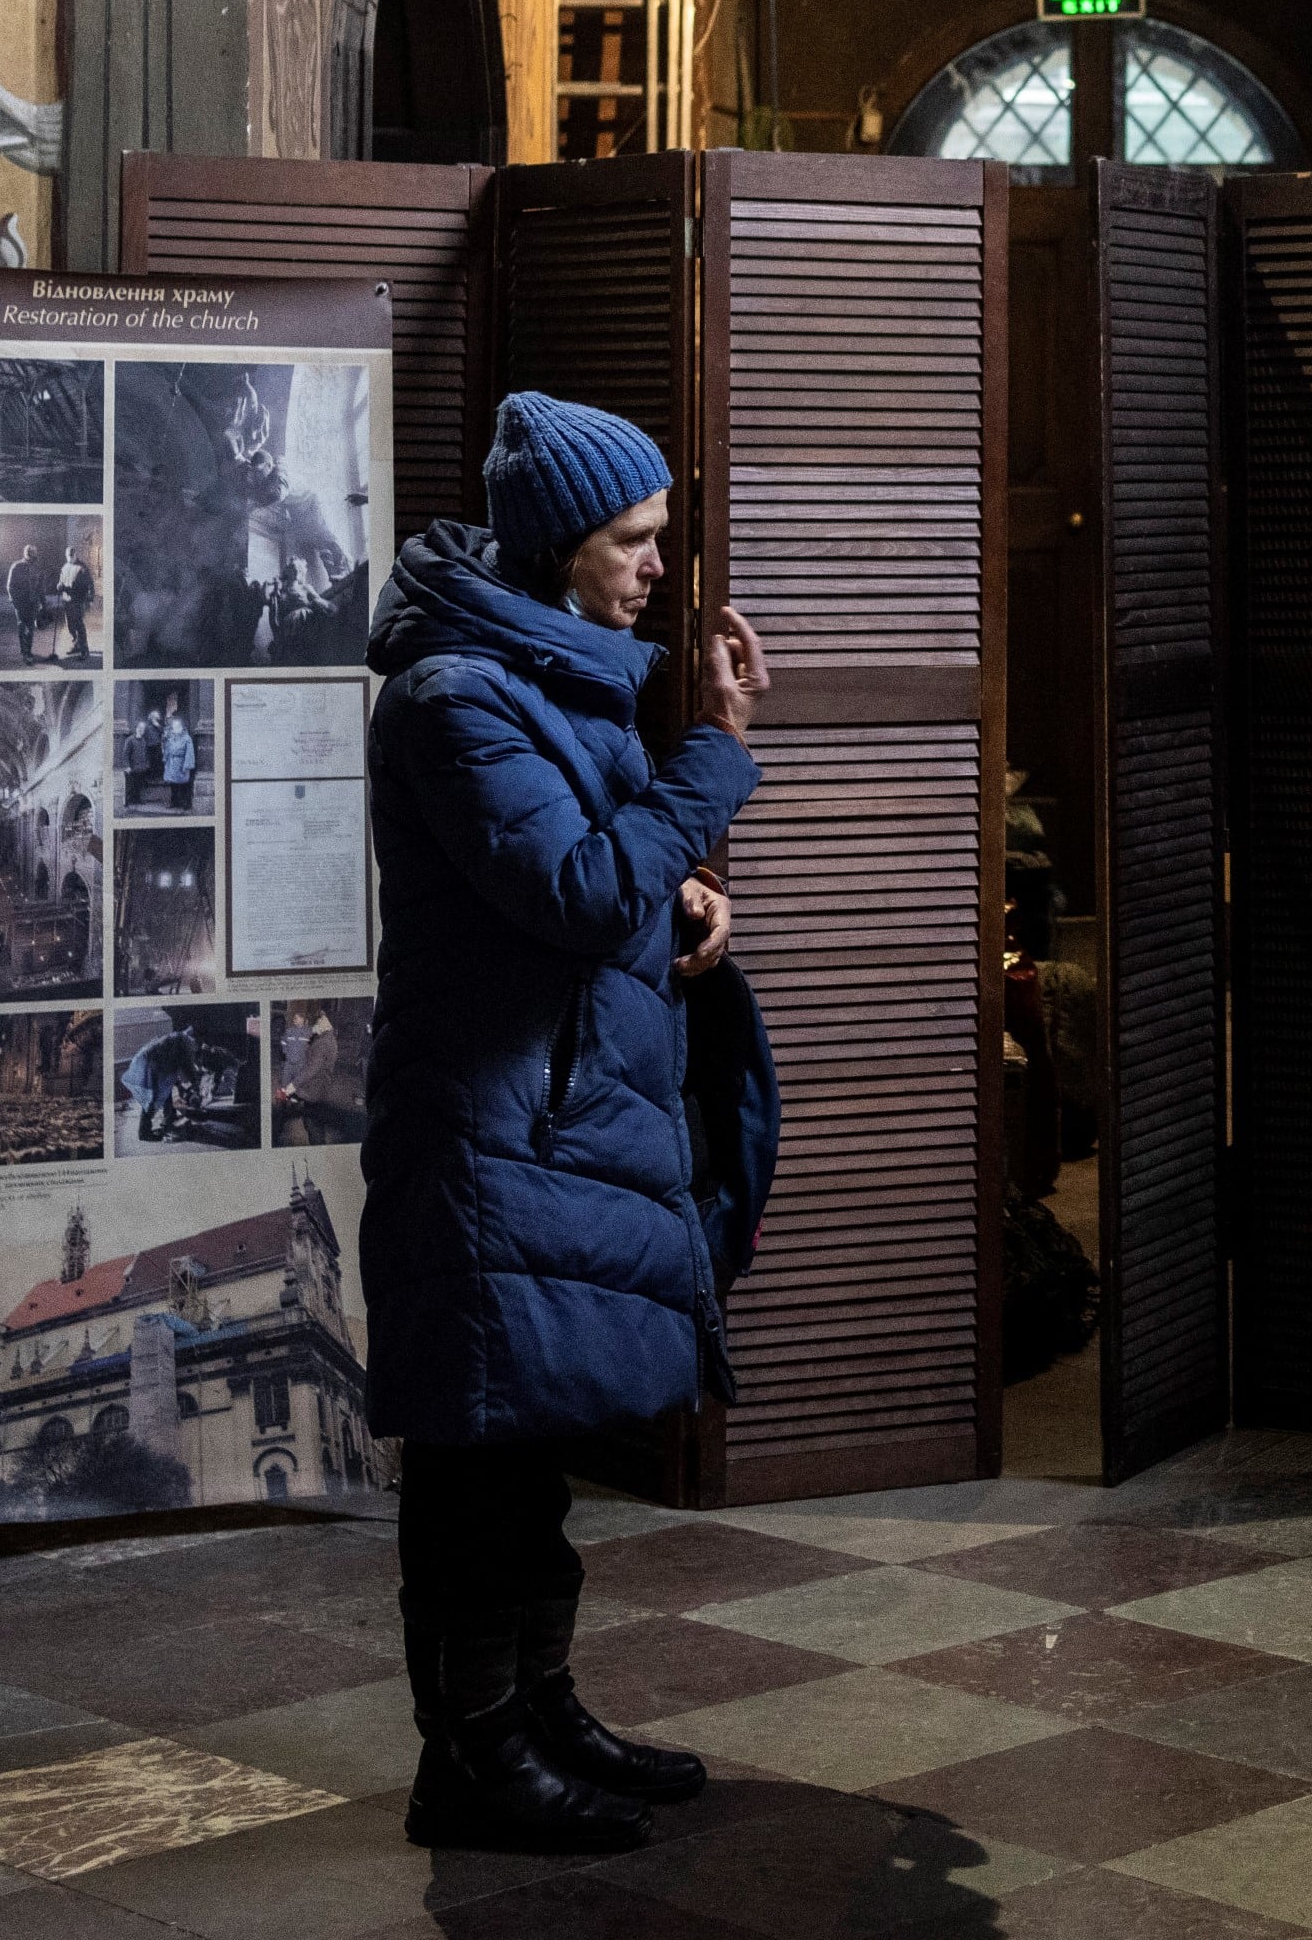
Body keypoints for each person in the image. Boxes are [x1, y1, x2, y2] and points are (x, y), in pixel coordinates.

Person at [364, 390, 773, 1856]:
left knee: (527, 1457)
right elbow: (578, 890)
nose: (657, 566)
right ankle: (468, 1759)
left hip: (549, 1125)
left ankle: (536, 1710)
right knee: (478, 1461)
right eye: (634, 538)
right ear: (558, 546)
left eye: (658, 536)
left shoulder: (547, 670)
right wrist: (713, 756)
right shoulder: (457, 697)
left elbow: (594, 896)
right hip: (485, 1142)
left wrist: (681, 902)